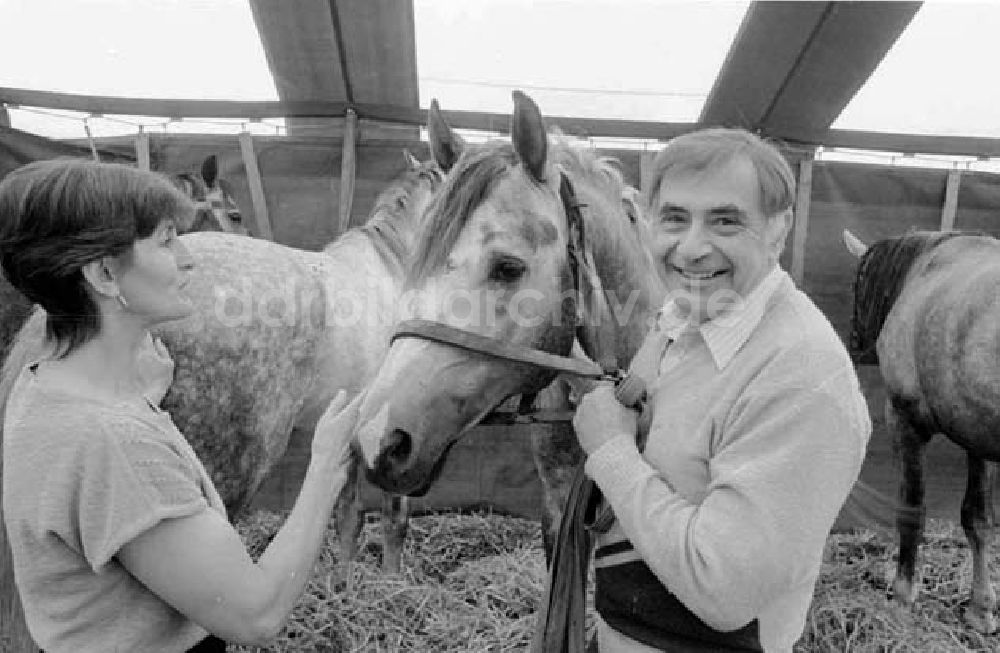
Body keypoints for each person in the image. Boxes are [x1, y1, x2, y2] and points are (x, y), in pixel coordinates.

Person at [0, 159, 360, 652]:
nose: (189, 259)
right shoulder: (116, 447)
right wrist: (325, 471)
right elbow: (257, 614)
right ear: (106, 273)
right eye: (167, 241)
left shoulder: (43, 383)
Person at [571, 129, 871, 652]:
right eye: (674, 218)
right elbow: (642, 407)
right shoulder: (682, 318)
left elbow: (722, 589)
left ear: (778, 231)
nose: (691, 248)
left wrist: (611, 451)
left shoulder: (803, 380)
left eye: (726, 220)